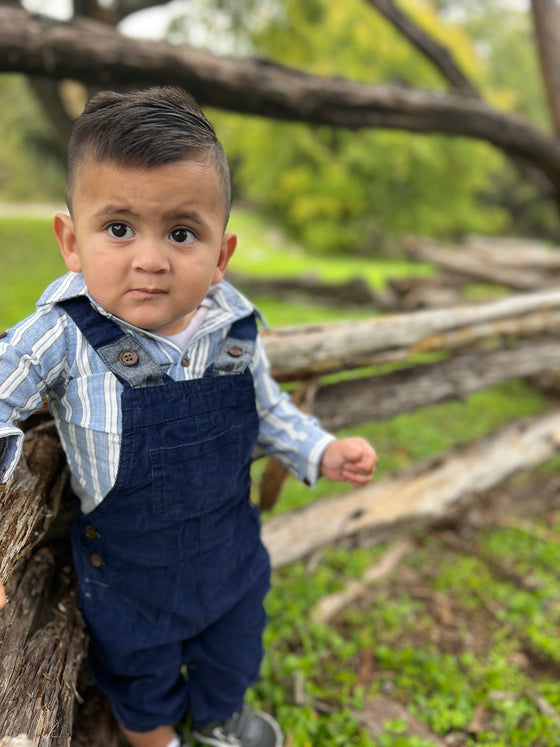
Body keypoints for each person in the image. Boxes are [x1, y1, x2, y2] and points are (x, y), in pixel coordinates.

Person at [0, 87, 377, 747]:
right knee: (138, 679)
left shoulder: (231, 324)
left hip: (227, 552)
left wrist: (318, 450)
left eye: (181, 232)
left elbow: (267, 408)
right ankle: (161, 738)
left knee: (233, 652)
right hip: (131, 571)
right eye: (119, 228)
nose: (151, 259)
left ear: (221, 252)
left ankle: (219, 716)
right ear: (71, 240)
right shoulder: (61, 334)